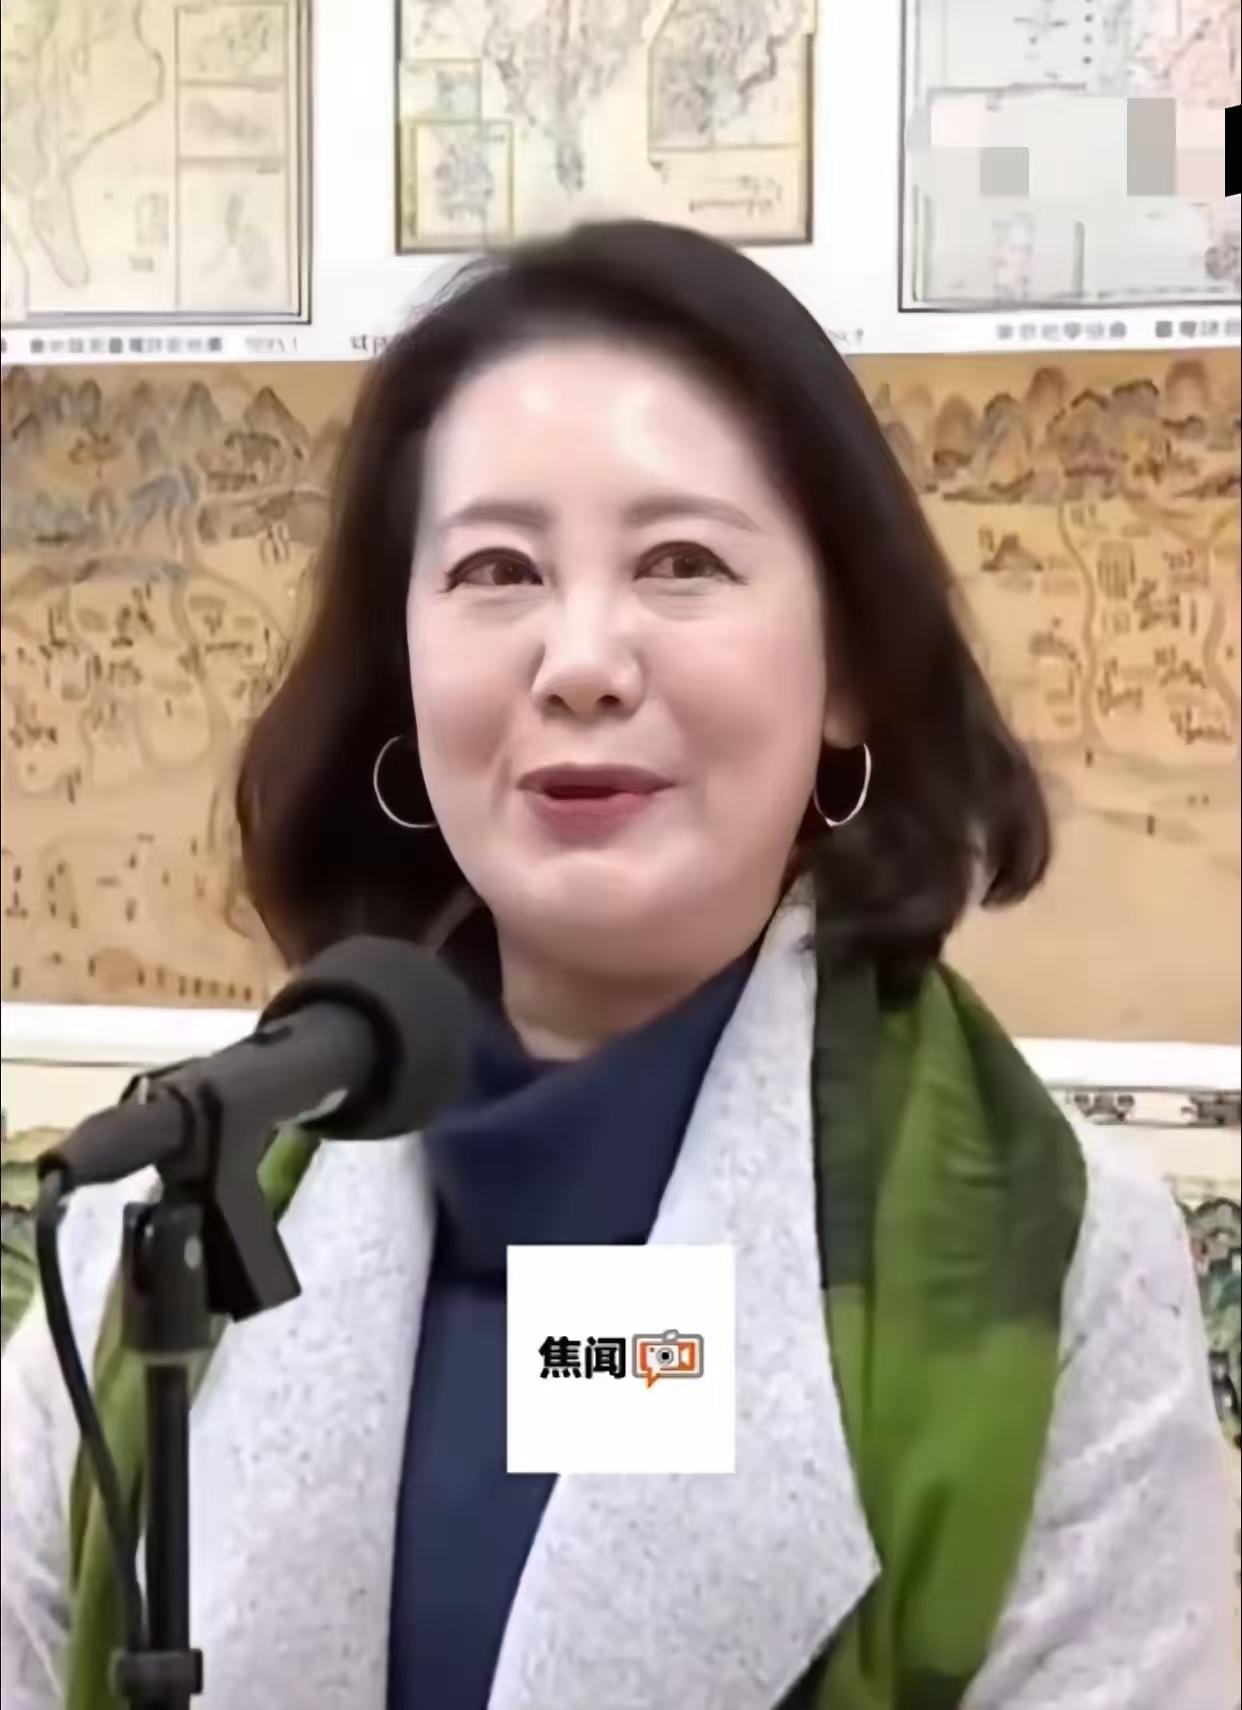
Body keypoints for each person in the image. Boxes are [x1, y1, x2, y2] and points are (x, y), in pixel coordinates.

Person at [1, 220, 1234, 1710]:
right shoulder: (156, 1230)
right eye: (498, 569)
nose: (581, 659)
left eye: (682, 562)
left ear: (845, 673)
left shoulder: (1056, 1267)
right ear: (403, 670)